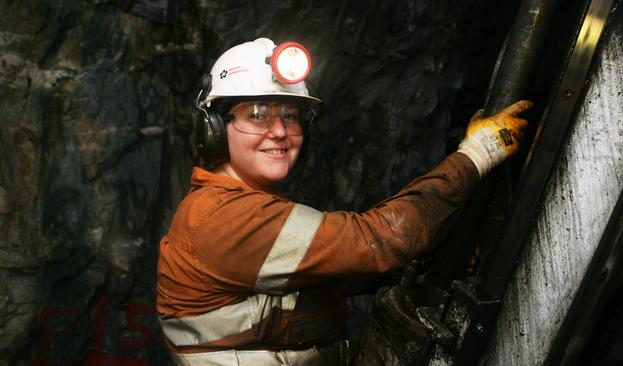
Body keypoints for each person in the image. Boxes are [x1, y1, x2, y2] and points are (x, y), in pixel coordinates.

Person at [156, 37, 532, 366]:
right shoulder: (225, 218)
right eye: (257, 115)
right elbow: (380, 238)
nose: (280, 131)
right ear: (215, 130)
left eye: (291, 115)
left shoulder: (234, 206)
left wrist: (426, 261)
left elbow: (327, 276)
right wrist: (476, 156)